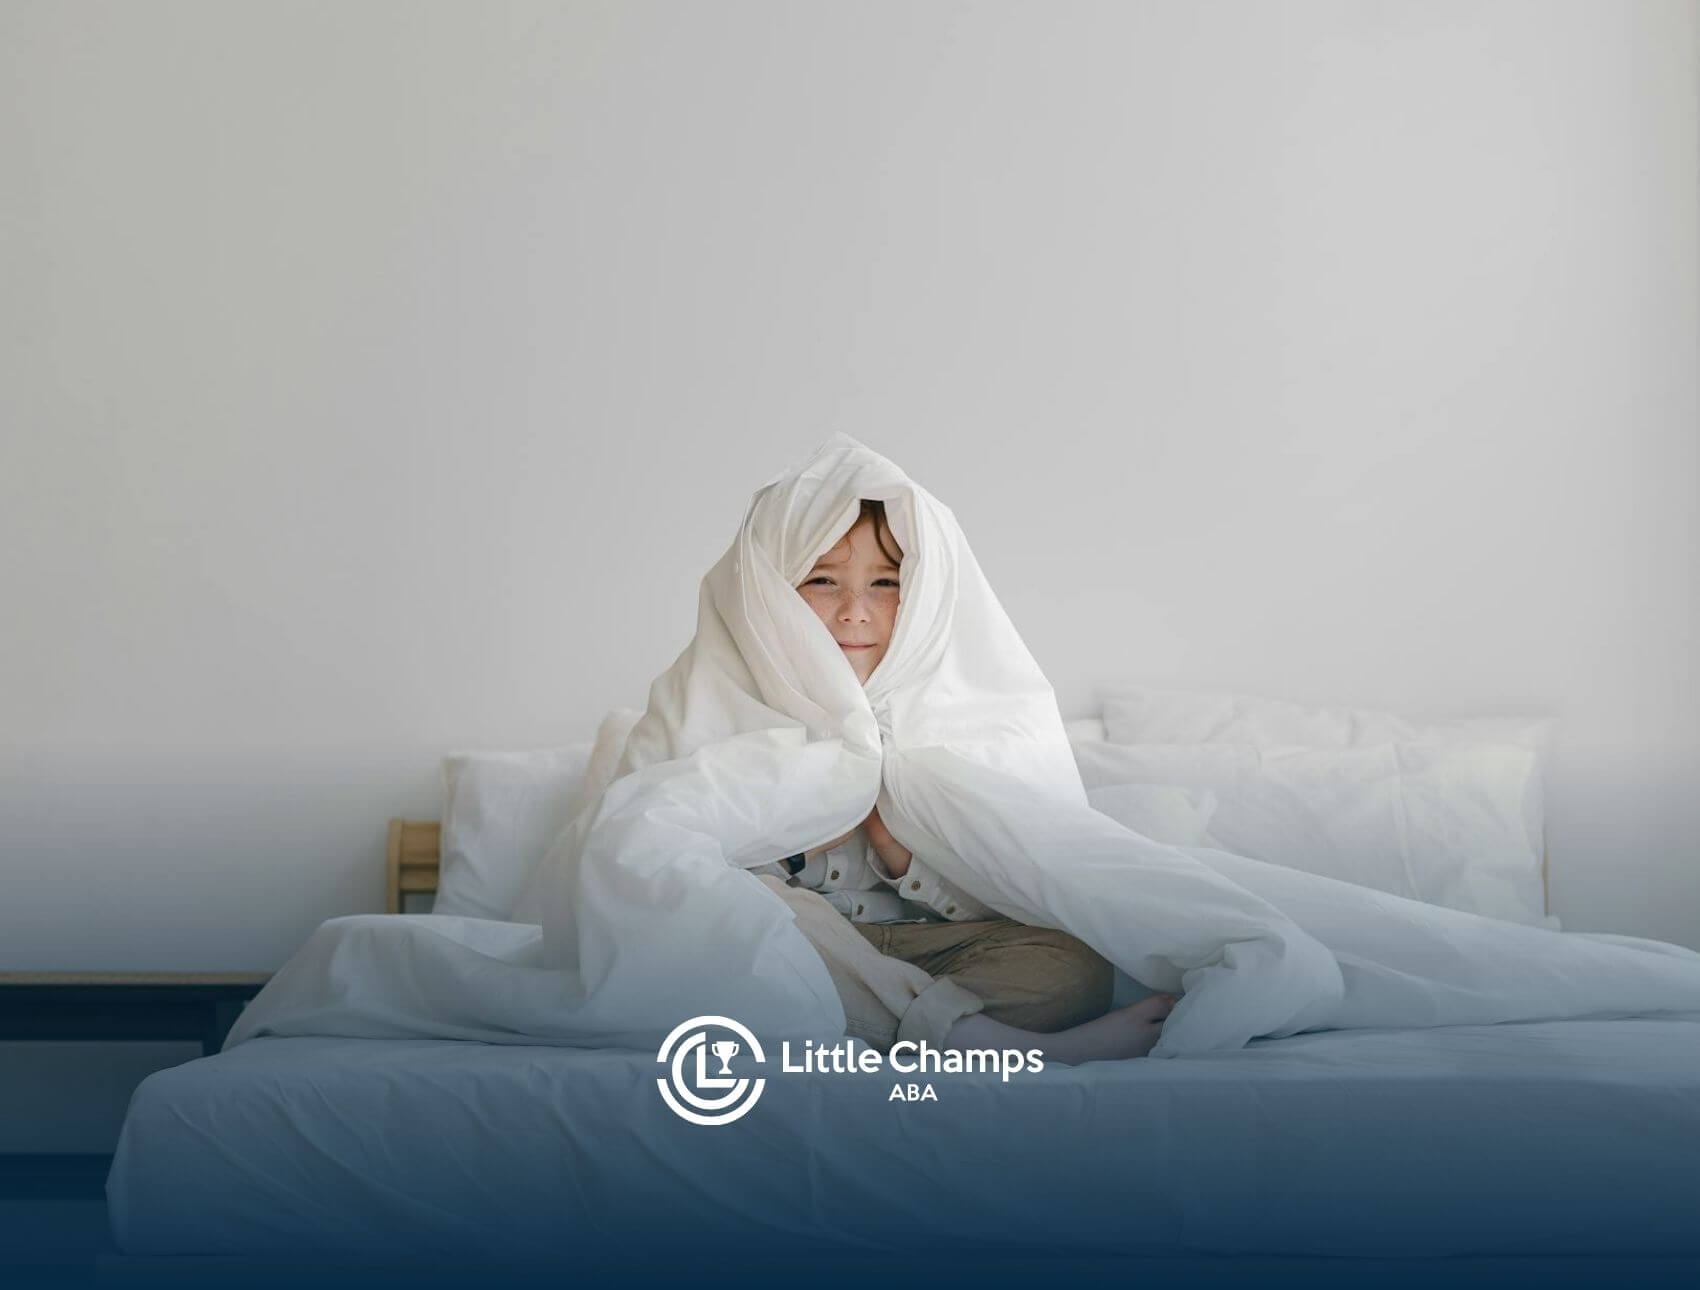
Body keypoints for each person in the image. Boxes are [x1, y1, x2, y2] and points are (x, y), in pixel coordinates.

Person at [753, 497, 1177, 1063]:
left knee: (1072, 962)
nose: (855, 610)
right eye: (824, 580)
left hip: (926, 950)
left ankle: (884, 1025)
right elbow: (673, 874)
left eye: (884, 582)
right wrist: (804, 847)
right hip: (805, 943)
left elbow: (1004, 891)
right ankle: (980, 1043)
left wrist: (897, 848)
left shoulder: (957, 715)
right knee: (740, 912)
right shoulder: (729, 705)